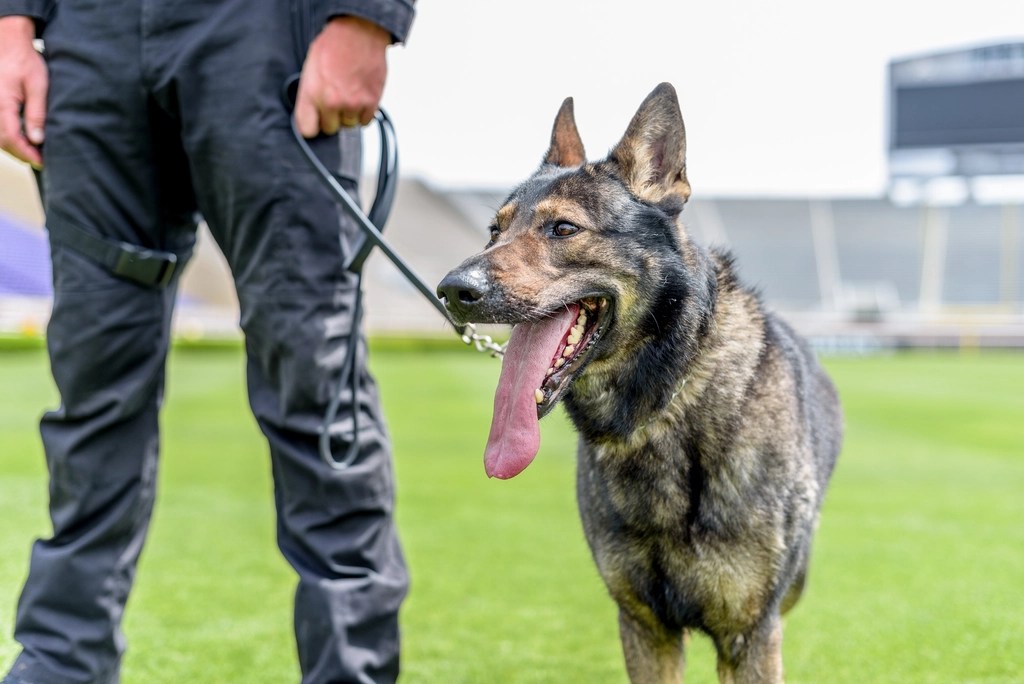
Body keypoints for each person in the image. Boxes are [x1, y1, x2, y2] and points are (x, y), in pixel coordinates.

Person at [0, 0, 414, 682]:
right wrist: (12, 22)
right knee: (92, 375)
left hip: (263, 28)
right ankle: (60, 658)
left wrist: (367, 16)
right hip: (88, 34)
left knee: (310, 367)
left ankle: (350, 668)